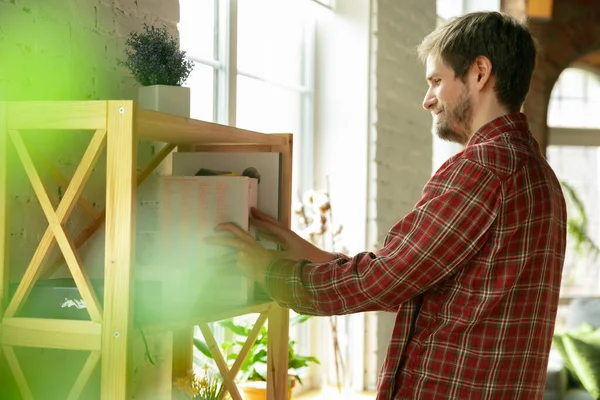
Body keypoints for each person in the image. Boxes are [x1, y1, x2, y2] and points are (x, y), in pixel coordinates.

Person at [206, 11, 567, 400]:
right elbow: (428, 286)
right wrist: (307, 252)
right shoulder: (539, 175)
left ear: (480, 72)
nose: (428, 100)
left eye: (436, 81)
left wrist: (270, 272)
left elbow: (387, 281)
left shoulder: (482, 168)